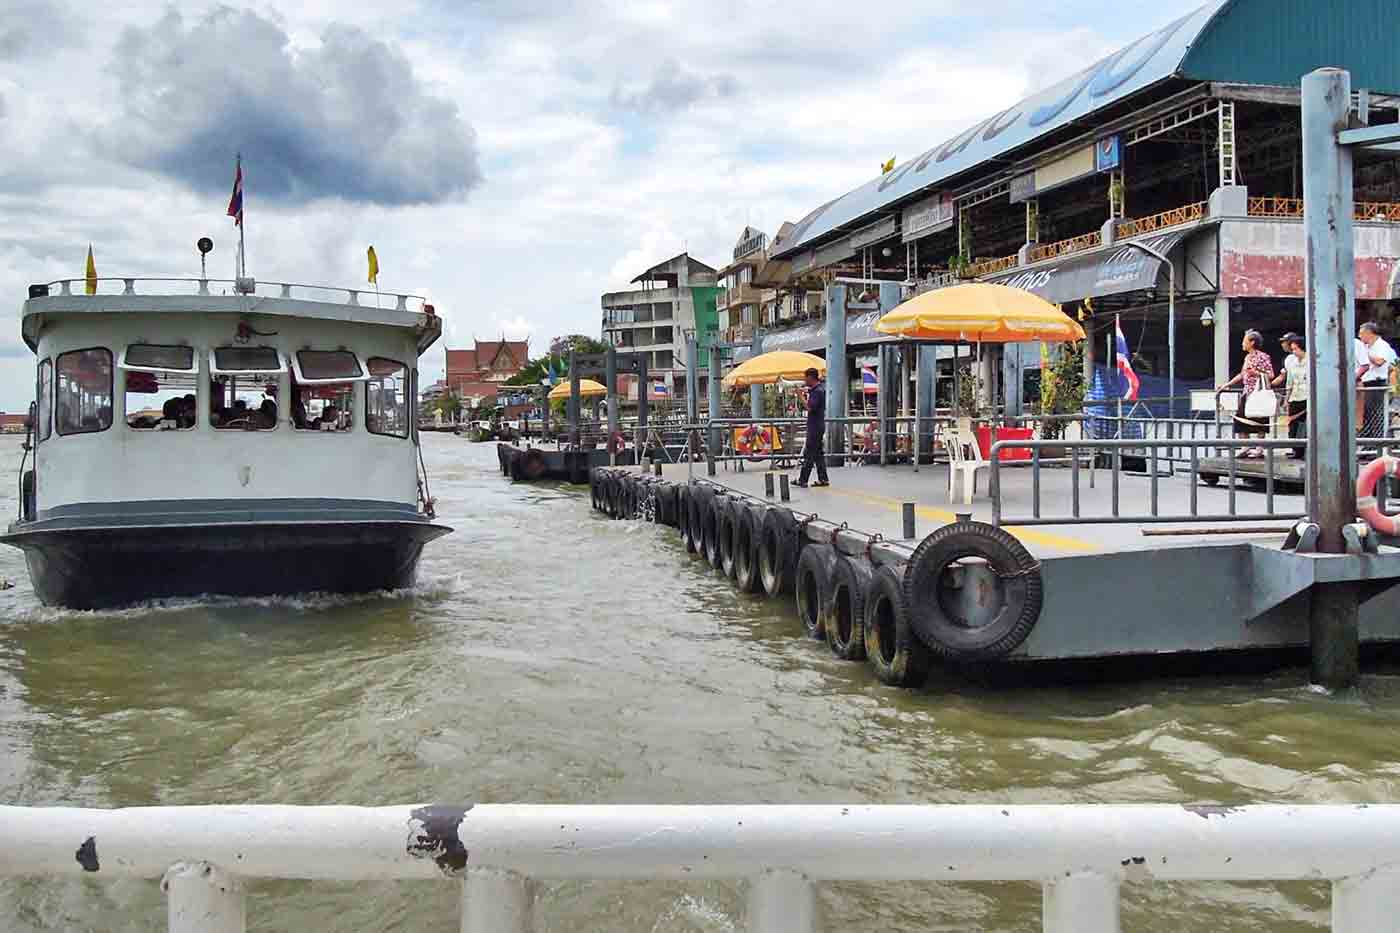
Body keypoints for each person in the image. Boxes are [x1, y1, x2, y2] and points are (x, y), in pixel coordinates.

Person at [1217, 329, 1275, 458]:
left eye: (1244, 341)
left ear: (1252, 342)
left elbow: (1271, 375)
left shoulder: (1263, 356)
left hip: (1259, 393)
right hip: (1246, 392)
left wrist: (1257, 373)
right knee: (1241, 419)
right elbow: (1242, 374)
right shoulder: (1247, 357)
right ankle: (1245, 446)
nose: (1242, 344)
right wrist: (1227, 384)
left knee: (1260, 420)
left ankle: (1259, 449)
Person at [1271, 333, 1308, 458]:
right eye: (1292, 349)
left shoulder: (1310, 361)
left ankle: (1304, 450)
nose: (1294, 352)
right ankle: (1295, 450)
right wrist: (1286, 399)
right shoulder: (1291, 362)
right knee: (1293, 425)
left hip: (1307, 396)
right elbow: (1289, 382)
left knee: (1306, 424)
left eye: (1295, 349)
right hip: (1295, 396)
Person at [1357, 322, 1396, 441]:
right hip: (1366, 383)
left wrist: (1365, 355)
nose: (1359, 336)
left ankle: (1379, 443)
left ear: (1369, 333)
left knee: (1376, 415)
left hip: (1377, 382)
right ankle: (1368, 445)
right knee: (1367, 415)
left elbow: (1380, 362)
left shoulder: (1382, 345)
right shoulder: (1366, 346)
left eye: (1361, 333)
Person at [794, 367, 829, 487]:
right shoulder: (818, 389)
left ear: (810, 377)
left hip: (815, 426)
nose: (804, 380)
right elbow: (811, 393)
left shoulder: (817, 391)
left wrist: (800, 396)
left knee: (809, 453)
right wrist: (806, 391)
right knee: (818, 454)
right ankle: (823, 479)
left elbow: (809, 407)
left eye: (805, 378)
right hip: (818, 425)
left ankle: (802, 480)